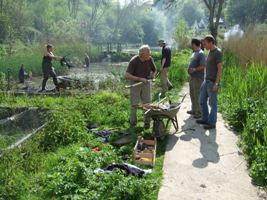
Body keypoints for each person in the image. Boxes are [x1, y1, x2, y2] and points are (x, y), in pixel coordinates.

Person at [125, 45, 157, 129]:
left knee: (147, 103)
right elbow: (127, 75)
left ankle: (147, 123)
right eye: (148, 53)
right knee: (134, 104)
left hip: (146, 83)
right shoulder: (134, 61)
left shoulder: (150, 59)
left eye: (150, 53)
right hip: (135, 84)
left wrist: (152, 76)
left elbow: (154, 70)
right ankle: (133, 123)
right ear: (142, 54)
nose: (150, 55)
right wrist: (139, 78)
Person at [197, 35, 223, 129]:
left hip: (212, 82)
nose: (204, 45)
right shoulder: (210, 52)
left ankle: (212, 123)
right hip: (206, 81)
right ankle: (205, 118)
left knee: (212, 104)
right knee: (202, 100)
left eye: (205, 43)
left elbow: (220, 69)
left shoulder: (217, 52)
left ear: (211, 42)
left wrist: (216, 83)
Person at [187, 38, 206, 119]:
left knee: (198, 94)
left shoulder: (201, 53)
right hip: (192, 77)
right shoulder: (194, 53)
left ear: (194, 44)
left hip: (198, 78)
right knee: (192, 94)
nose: (191, 45)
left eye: (192, 44)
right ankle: (194, 109)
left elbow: (203, 66)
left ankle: (199, 112)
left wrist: (194, 69)